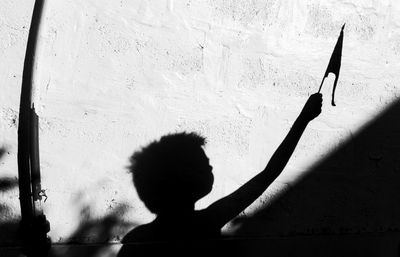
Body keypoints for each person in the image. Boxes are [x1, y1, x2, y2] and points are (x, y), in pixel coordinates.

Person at [118, 93, 323, 256]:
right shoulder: (206, 222)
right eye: (202, 164)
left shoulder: (138, 241)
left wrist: (304, 119)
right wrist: (303, 120)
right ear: (181, 177)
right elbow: (268, 175)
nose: (210, 167)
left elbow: (268, 175)